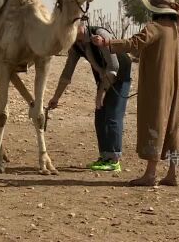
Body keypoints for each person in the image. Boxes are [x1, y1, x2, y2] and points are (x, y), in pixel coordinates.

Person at [92, 0, 179, 186]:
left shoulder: (155, 27)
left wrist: (106, 43)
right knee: (170, 126)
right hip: (173, 85)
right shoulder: (175, 29)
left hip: (156, 85)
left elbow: (133, 44)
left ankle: (150, 174)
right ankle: (172, 173)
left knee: (154, 122)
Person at [49, 24, 132, 172]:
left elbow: (113, 67)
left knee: (112, 115)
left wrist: (100, 93)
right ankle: (105, 157)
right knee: (100, 115)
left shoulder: (100, 34)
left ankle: (114, 160)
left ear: (80, 23)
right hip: (103, 78)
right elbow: (67, 74)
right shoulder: (76, 45)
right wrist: (56, 97)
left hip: (120, 76)